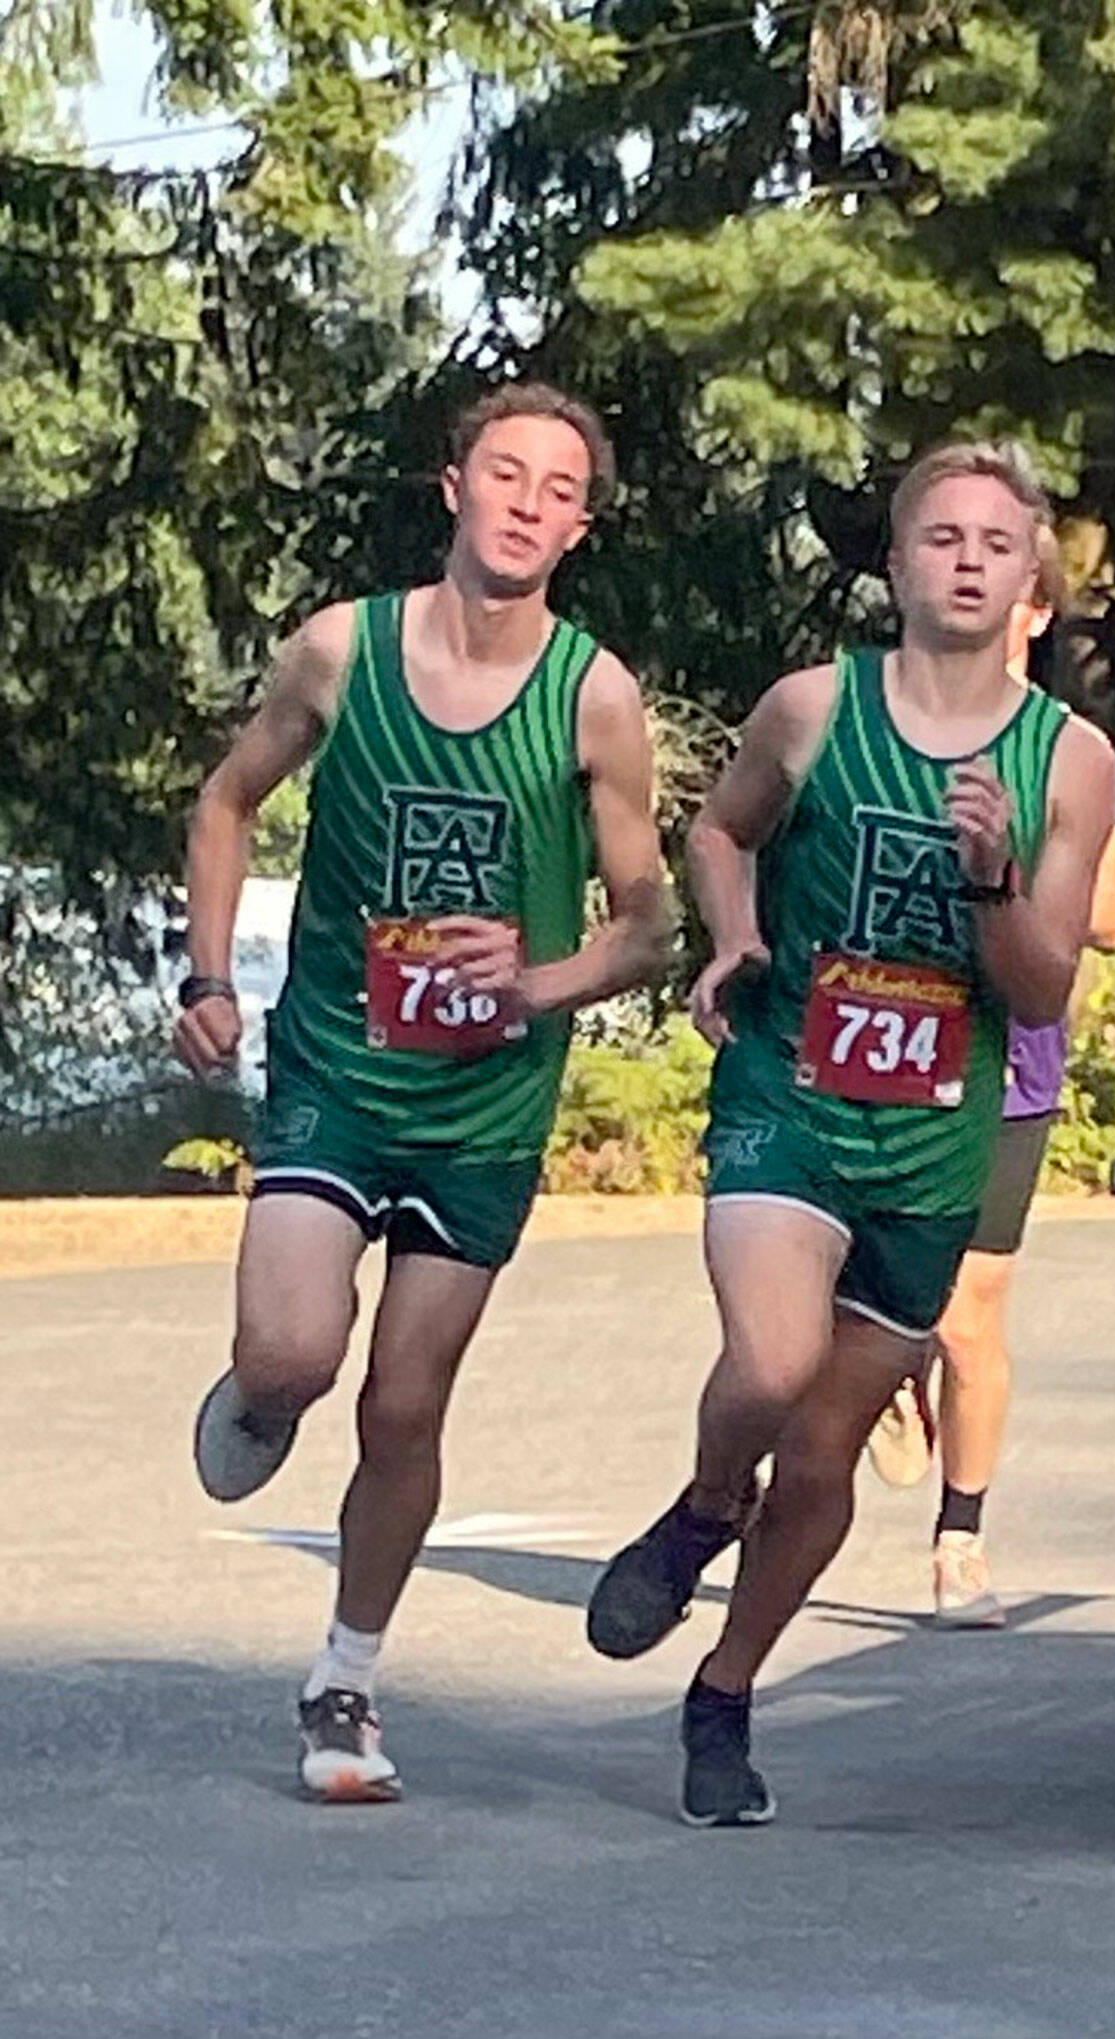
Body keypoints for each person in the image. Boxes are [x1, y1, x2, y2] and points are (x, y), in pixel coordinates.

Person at [585, 441, 1115, 1827]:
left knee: (822, 1452)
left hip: (934, 1144)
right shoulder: (815, 706)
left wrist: (995, 877)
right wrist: (743, 933)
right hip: (790, 1096)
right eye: (938, 536)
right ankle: (704, 1506)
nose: (964, 559)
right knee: (769, 1355)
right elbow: (720, 831)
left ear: (1030, 579)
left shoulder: (1071, 760)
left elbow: (1046, 984)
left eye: (994, 544)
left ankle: (726, 1690)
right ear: (896, 563)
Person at [175, 383, 666, 1802]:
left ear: (578, 522)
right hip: (338, 1060)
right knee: (293, 1354)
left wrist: (541, 975)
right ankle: (263, 1391)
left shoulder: (596, 694)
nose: (524, 500)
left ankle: (345, 1682)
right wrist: (210, 978)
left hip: (487, 1101)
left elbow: (645, 921)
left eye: (555, 485)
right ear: (452, 486)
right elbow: (227, 800)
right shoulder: (342, 648)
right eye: (501, 471)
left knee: (404, 1406)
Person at [867, 598, 1115, 1626]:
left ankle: (958, 1540)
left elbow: (1108, 920)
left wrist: (1006, 863)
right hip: (883, 1050)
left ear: (1036, 608)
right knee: (877, 1310)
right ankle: (889, 1369)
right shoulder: (876, 730)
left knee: (969, 1320)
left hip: (1008, 1067)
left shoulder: (1068, 754)